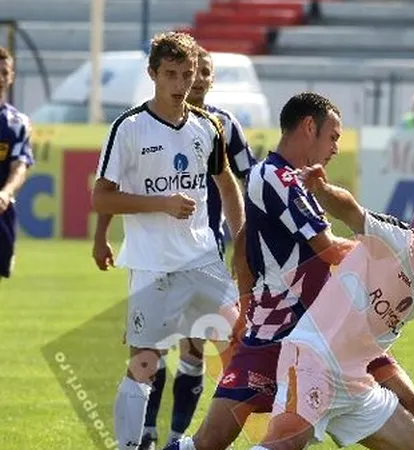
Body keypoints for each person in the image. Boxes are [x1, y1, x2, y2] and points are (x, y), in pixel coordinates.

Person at [169, 93, 414, 450]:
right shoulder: (275, 177)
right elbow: (329, 249)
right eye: (333, 136)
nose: (335, 147)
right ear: (309, 127)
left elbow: (243, 245)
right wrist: (398, 262)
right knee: (212, 442)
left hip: (334, 329)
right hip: (282, 330)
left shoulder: (295, 181)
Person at [254, 165, 414, 450]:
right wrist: (321, 190)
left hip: (354, 381)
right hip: (314, 358)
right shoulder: (397, 242)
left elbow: (374, 337)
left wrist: (410, 397)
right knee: (286, 442)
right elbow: (353, 212)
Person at [92, 44, 258, 449]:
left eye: (186, 75)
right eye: (170, 74)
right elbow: (101, 197)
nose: (181, 84)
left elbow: (228, 185)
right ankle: (129, 445)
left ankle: (210, 441)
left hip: (204, 261)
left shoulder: (207, 126)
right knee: (144, 363)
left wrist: (240, 242)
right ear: (152, 74)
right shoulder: (128, 128)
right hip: (154, 266)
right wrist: (160, 204)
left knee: (245, 351)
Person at [0, 47, 34, 283]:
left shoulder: (17, 123)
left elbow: (20, 166)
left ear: (11, 77)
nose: (0, 78)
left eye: (4, 72)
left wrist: (5, 193)